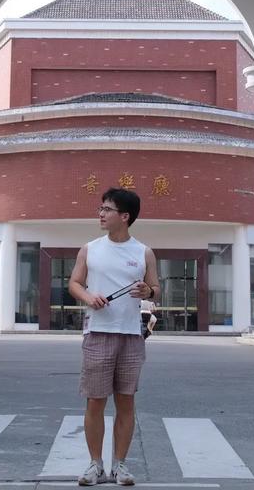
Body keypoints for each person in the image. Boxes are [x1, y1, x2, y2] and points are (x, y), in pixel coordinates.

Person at [68, 187, 160, 487]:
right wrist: (88, 297)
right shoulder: (90, 249)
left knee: (126, 402)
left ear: (125, 216)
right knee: (95, 402)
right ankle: (95, 465)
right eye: (101, 208)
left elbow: (155, 290)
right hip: (98, 333)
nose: (101, 214)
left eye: (107, 209)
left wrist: (148, 291)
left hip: (131, 335)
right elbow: (75, 283)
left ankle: (119, 465)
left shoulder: (143, 252)